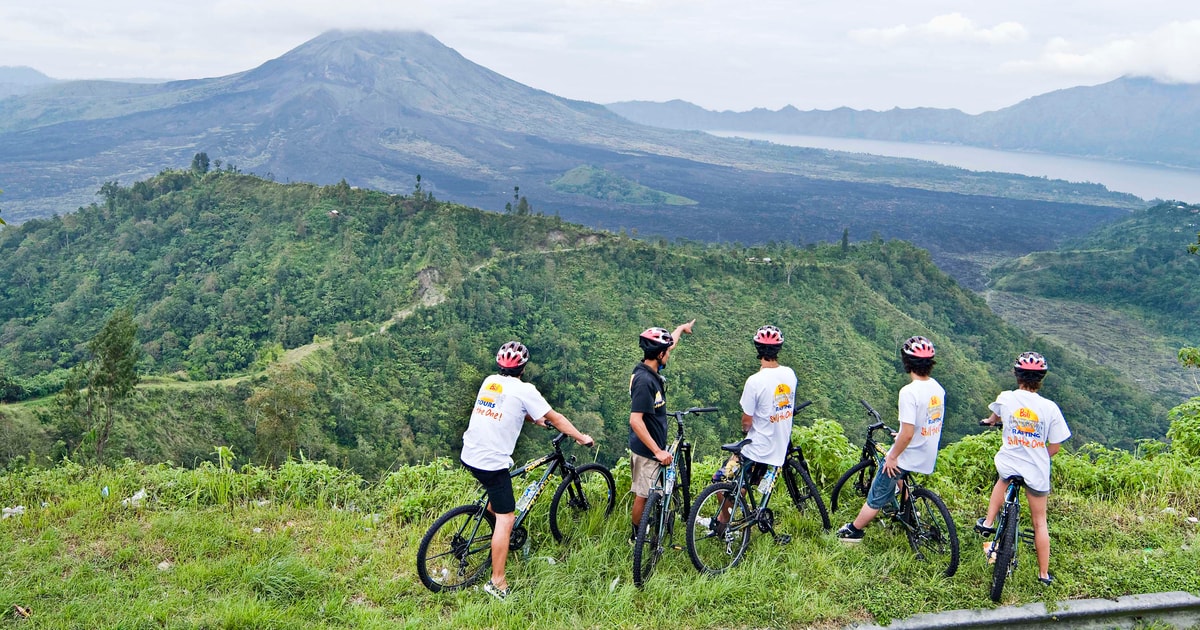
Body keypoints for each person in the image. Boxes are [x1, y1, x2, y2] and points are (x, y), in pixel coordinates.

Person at [460, 340, 594, 601]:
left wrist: (536, 419)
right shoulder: (526, 389)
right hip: (491, 461)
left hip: (470, 454)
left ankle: (488, 525)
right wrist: (580, 437)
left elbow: (505, 407)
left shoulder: (490, 381)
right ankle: (497, 583)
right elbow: (557, 418)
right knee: (507, 518)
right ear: (523, 368)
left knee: (497, 503)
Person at [975, 351, 1071, 585]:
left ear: (1016, 375)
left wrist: (990, 422)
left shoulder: (1006, 397)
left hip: (1010, 461)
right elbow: (1055, 447)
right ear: (1041, 379)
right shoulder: (1050, 408)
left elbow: (994, 417)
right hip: (1036, 469)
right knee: (1040, 522)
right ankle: (1043, 575)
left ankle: (988, 524)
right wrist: (1038, 456)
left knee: (1003, 478)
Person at [837, 335, 946, 542]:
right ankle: (911, 514)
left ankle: (854, 531)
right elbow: (927, 421)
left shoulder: (909, 392)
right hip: (927, 450)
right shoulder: (937, 388)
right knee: (900, 478)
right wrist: (906, 437)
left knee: (877, 492)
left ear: (906, 362)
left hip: (909, 454)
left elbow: (906, 433)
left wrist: (893, 456)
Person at [708, 325, 797, 543]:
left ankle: (726, 523)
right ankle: (734, 517)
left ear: (757, 348)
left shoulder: (754, 381)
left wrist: (745, 430)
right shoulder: (790, 374)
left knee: (719, 481)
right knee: (745, 482)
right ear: (779, 349)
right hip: (779, 447)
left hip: (758, 448)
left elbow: (747, 421)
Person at [628, 320, 695, 544]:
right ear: (659, 355)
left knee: (646, 492)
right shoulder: (644, 381)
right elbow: (635, 420)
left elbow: (670, 344)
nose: (669, 354)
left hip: (651, 445)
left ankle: (642, 530)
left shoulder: (650, 367)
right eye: (666, 352)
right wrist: (657, 451)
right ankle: (636, 536)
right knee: (643, 495)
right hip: (647, 450)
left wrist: (681, 329)